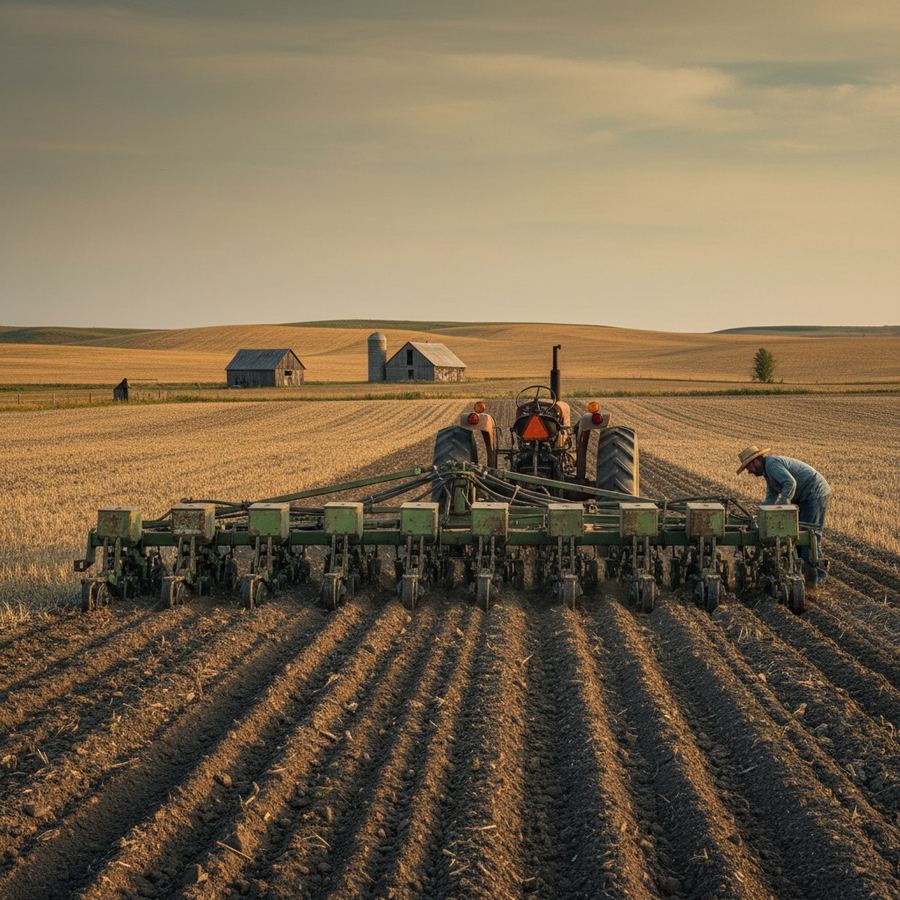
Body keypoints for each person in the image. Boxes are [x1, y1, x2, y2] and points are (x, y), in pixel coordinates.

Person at [736, 446, 831, 584]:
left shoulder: (772, 465)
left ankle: (817, 577)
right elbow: (771, 497)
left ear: (755, 462)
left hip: (814, 493)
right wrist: (760, 516)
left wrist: (782, 504)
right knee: (797, 536)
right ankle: (802, 573)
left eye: (748, 468)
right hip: (803, 496)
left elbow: (790, 482)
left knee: (809, 535)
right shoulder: (768, 472)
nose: (749, 472)